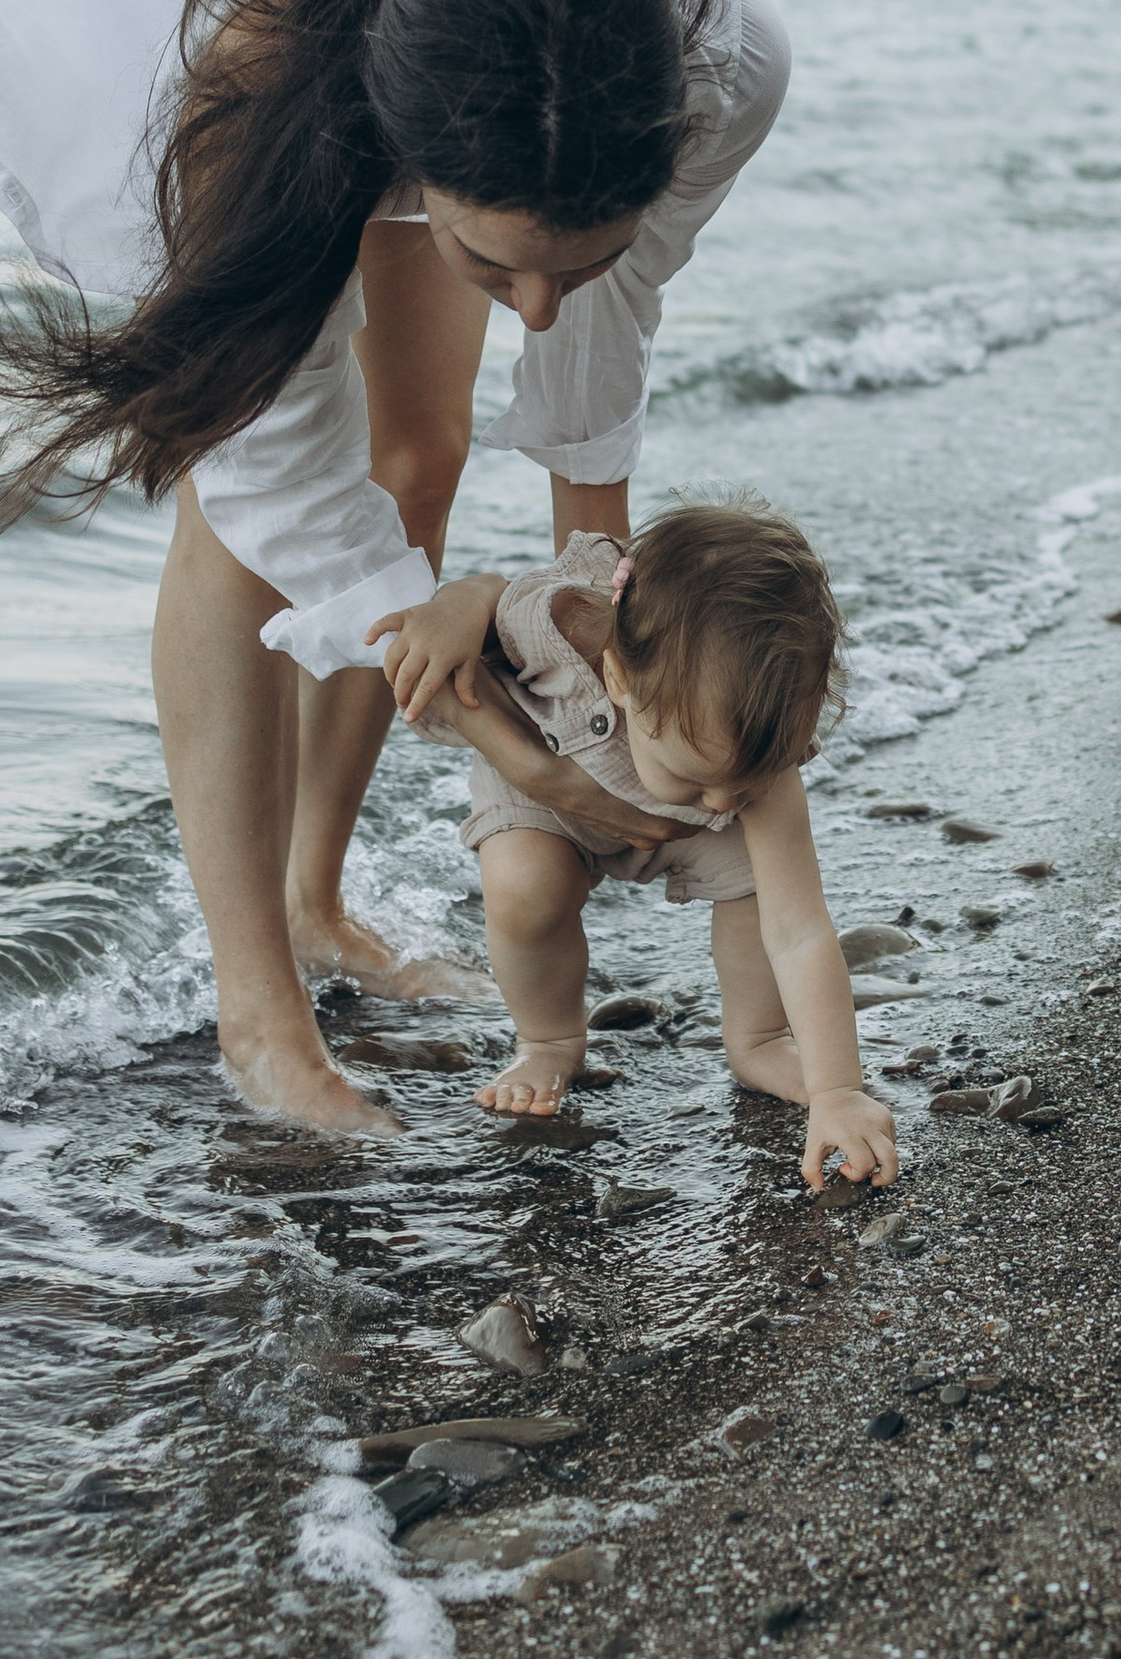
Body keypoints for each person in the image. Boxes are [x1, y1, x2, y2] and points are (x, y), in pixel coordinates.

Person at [0, 0, 789, 1136]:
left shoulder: (716, 66)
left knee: (427, 446)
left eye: (559, 266)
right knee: (247, 509)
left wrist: (618, 647)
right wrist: (550, 779)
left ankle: (319, 897)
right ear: (397, 154)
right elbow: (294, 510)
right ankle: (258, 1008)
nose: (532, 306)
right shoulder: (231, 90)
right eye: (487, 260)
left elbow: (599, 353)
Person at [371, 500, 899, 1190]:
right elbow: (492, 597)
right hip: (545, 801)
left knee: (758, 889)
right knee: (523, 889)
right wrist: (455, 603)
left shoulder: (755, 765)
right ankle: (549, 1038)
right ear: (618, 679)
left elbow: (801, 930)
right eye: (697, 773)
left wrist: (837, 1089)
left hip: (681, 839)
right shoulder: (556, 623)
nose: (722, 803)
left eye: (744, 781)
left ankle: (758, 1038)